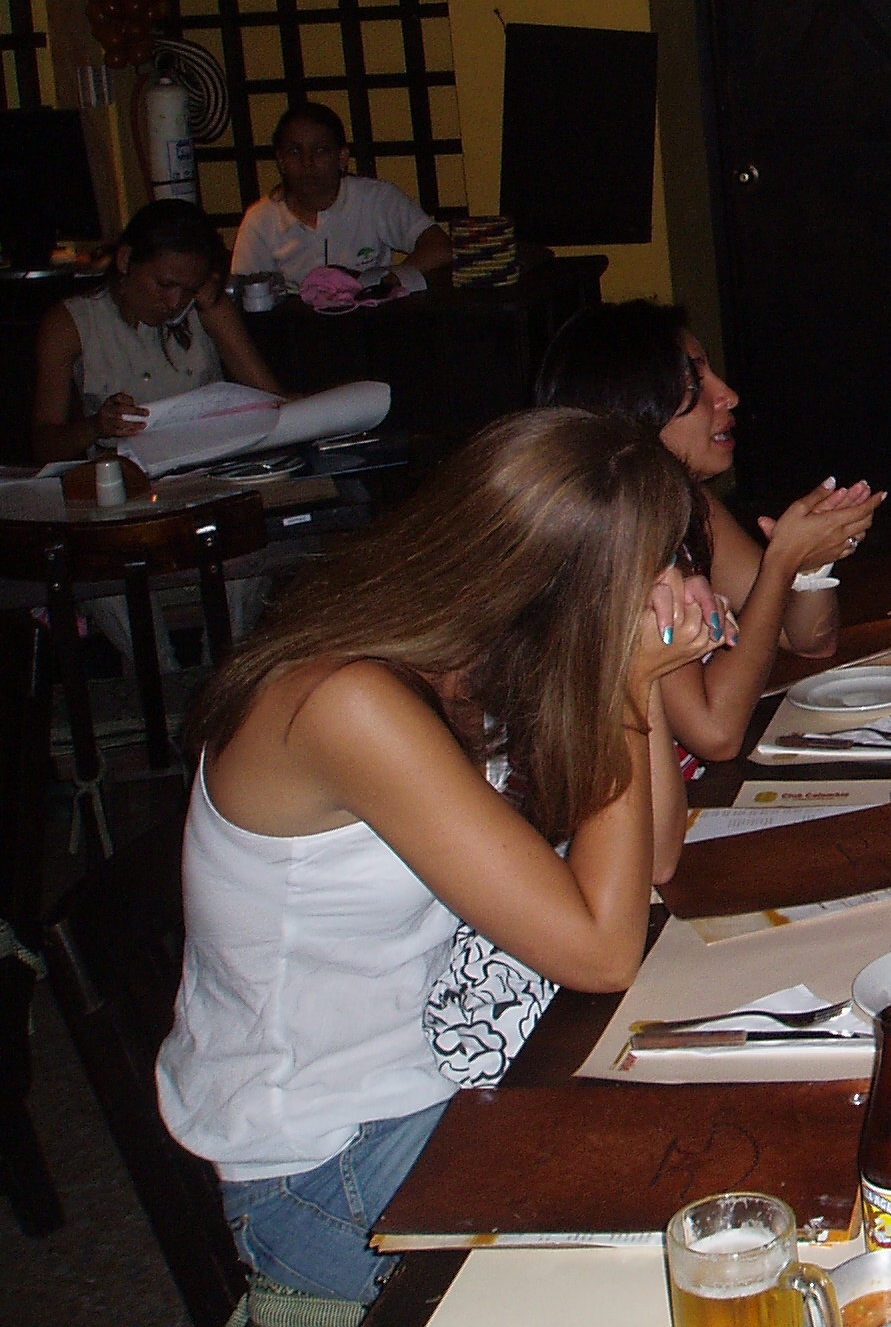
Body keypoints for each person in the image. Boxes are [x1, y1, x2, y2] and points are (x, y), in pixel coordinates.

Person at [156, 409, 717, 1305]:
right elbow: (602, 951)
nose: (677, 585)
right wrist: (623, 682)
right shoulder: (347, 702)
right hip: (326, 1164)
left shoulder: (469, 655)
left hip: (449, 1078)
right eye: (656, 568)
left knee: (723, 1138)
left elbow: (654, 856)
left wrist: (635, 682)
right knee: (687, 1243)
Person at [535, 301, 884, 763]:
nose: (728, 395)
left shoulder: (689, 505)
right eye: (693, 386)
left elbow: (808, 641)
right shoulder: (615, 536)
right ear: (630, 406)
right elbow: (715, 733)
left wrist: (809, 565)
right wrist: (781, 563)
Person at [30, 199, 286, 464]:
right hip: (127, 474)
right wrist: (96, 426)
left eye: (189, 289)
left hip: (209, 464)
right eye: (164, 285)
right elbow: (44, 446)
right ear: (125, 260)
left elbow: (274, 400)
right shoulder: (71, 323)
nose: (175, 302)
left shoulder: (206, 305)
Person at [230, 101, 452, 289]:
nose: (307, 163)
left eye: (320, 151)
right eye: (295, 152)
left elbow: (439, 247)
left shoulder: (374, 198)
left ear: (342, 157)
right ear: (281, 160)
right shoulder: (261, 219)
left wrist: (384, 281)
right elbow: (243, 292)